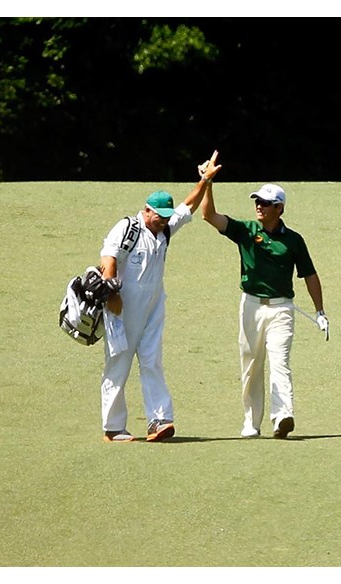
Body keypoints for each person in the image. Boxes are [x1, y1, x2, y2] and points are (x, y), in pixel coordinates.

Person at [97, 151, 222, 443]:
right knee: (119, 363)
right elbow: (108, 258)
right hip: (121, 307)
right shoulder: (127, 227)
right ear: (147, 210)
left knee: (152, 361)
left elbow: (188, 205)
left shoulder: (164, 229)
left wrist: (204, 180)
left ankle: (159, 420)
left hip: (153, 306)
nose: (164, 221)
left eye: (166, 218)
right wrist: (112, 292)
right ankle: (113, 428)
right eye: (159, 216)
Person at [199, 169, 328, 440]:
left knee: (280, 361)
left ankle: (282, 416)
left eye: (265, 203)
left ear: (279, 208)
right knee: (251, 364)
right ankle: (251, 422)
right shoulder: (246, 230)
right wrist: (207, 183)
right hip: (251, 305)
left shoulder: (293, 240)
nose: (259, 206)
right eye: (257, 201)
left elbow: (310, 275)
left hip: (282, 308)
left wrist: (320, 312)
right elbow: (209, 216)